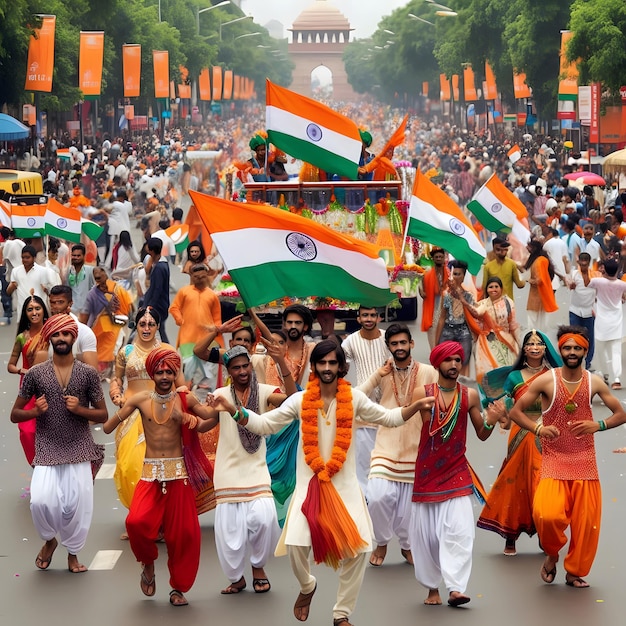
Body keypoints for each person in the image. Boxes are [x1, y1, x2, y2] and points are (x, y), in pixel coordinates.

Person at [207, 340, 435, 626]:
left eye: (332, 363)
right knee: (295, 545)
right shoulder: (301, 401)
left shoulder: (354, 399)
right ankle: (307, 586)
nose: (327, 368)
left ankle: (342, 613)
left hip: (345, 487)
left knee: (361, 550)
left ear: (341, 367)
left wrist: (415, 406)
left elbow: (388, 418)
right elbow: (266, 424)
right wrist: (234, 409)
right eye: (322, 363)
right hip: (309, 484)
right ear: (313, 367)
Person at [509, 326, 626, 588]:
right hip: (554, 461)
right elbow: (516, 412)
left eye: (577, 348)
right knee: (547, 516)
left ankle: (574, 572)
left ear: (585, 351)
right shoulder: (546, 381)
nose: (572, 352)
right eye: (567, 348)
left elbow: (621, 413)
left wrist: (599, 425)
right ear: (560, 350)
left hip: (585, 463)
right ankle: (552, 553)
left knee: (586, 526)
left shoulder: (593, 382)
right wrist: (538, 428)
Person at [102, 348, 217, 606]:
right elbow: (108, 427)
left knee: (184, 535)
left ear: (176, 373)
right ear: (151, 373)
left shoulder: (185, 399)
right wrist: (121, 407)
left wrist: (209, 410)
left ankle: (178, 588)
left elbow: (208, 421)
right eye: (159, 371)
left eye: (169, 371)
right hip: (150, 475)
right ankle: (148, 563)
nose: (165, 376)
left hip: (179, 476)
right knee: (135, 523)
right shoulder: (141, 399)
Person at [10, 315, 107, 574]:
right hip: (47, 447)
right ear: (50, 339)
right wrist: (35, 412)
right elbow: (14, 414)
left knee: (77, 506)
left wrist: (80, 410)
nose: (61, 339)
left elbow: (103, 415)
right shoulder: (36, 373)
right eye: (56, 335)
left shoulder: (87, 374)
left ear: (73, 338)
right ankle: (50, 540)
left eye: (66, 335)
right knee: (41, 501)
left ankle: (73, 554)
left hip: (80, 447)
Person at [410, 341, 502, 607]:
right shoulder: (421, 394)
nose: (453, 365)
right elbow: (423, 429)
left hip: (457, 471)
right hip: (426, 473)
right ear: (437, 363)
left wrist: (493, 420)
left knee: (461, 532)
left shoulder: (469, 395)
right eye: (448, 360)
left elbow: (482, 434)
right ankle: (431, 588)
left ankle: (456, 588)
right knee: (427, 536)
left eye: (457, 360)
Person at [203, 345, 295, 595]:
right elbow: (203, 424)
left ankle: (258, 567)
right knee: (230, 532)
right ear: (229, 371)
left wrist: (281, 363)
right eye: (236, 367)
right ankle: (236, 578)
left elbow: (291, 400)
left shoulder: (265, 392)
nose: (243, 371)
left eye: (246, 366)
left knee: (264, 520)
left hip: (257, 470)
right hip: (228, 472)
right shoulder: (221, 393)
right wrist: (191, 406)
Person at [358, 323, 438, 567]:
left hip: (416, 444)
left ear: (411, 344)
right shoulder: (381, 373)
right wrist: (376, 377)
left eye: (404, 342)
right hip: (386, 443)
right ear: (388, 346)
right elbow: (356, 398)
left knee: (408, 507)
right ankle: (382, 541)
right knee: (378, 496)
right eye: (394, 344)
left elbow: (440, 402)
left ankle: (407, 545)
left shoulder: (428, 372)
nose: (400, 347)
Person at [477, 330, 561, 556]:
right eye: (530, 344)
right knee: (514, 482)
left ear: (545, 349)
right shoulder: (514, 378)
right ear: (524, 349)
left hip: (546, 435)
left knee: (542, 484)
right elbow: (506, 408)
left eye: (539, 343)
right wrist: (498, 417)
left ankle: (545, 533)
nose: (534, 347)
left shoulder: (554, 376)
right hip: (520, 434)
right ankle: (510, 535)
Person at [108, 307, 184, 514]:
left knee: (159, 468)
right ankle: (138, 513)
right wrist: (116, 394)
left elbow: (181, 385)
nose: (147, 328)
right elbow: (116, 379)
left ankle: (158, 516)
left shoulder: (167, 351)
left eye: (151, 324)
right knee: (130, 466)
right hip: (131, 415)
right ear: (136, 325)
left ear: (158, 326)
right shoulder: (126, 352)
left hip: (161, 415)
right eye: (142, 324)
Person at [341, 305, 390, 493]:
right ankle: (365, 499)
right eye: (365, 315)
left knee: (384, 457)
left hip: (388, 402)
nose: (369, 319)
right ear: (358, 318)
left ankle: (380, 495)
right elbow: (339, 361)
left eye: (372, 315)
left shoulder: (388, 338)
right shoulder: (351, 340)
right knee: (362, 460)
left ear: (378, 318)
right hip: (363, 407)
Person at [7, 295, 50, 465]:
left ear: (43, 310)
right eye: (30, 309)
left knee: (48, 427)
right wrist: (22, 370)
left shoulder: (50, 333)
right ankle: (37, 466)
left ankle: (50, 465)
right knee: (27, 431)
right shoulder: (22, 337)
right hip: (28, 388)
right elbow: (10, 365)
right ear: (25, 313)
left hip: (48, 384)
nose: (34, 312)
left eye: (37, 308)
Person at [169, 262, 222, 389]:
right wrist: (179, 319)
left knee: (209, 365)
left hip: (207, 338)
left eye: (203, 277)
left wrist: (217, 329)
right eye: (196, 277)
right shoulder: (184, 292)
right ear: (192, 277)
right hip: (187, 336)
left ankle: (204, 389)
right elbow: (174, 308)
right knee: (188, 365)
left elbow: (217, 316)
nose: (200, 279)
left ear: (207, 276)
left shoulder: (212, 295)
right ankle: (186, 389)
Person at [80, 266, 133, 381]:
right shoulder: (93, 294)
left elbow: (128, 307)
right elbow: (86, 313)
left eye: (100, 275)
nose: (99, 278)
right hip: (100, 328)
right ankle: (104, 371)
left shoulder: (117, 289)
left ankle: (111, 371)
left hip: (117, 326)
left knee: (115, 347)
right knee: (105, 350)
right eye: (96, 277)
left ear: (106, 274)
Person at [470, 276, 520, 384]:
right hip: (487, 342)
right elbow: (476, 325)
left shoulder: (508, 302)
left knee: (509, 369)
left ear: (501, 288)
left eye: (496, 286)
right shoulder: (482, 305)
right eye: (490, 287)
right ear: (486, 290)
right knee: (490, 370)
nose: (493, 289)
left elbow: (512, 323)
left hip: (506, 340)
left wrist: (518, 343)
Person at [588, 259, 626, 389]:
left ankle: (605, 375)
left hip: (602, 321)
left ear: (604, 268)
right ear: (617, 270)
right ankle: (616, 379)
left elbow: (588, 283)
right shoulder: (622, 284)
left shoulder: (598, 282)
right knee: (616, 350)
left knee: (601, 349)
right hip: (616, 321)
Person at [435, 260, 475, 377]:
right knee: (443, 360)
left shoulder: (468, 296)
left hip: (463, 331)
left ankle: (462, 387)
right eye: (453, 274)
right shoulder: (446, 295)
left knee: (463, 361)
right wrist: (436, 343)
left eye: (458, 274)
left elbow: (471, 317)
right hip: (447, 330)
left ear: (463, 277)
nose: (455, 277)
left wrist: (474, 335)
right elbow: (442, 318)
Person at [45, 285, 98, 369]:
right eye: (52, 302)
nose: (56, 307)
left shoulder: (85, 333)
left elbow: (93, 374)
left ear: (70, 303)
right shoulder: (45, 331)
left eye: (60, 302)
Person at [568, 252, 599, 370]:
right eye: (582, 264)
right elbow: (569, 284)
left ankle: (588, 362)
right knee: (574, 337)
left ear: (589, 263)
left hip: (588, 312)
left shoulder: (595, 275)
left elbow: (595, 288)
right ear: (579, 263)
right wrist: (571, 285)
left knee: (589, 338)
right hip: (575, 310)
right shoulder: (574, 274)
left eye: (586, 264)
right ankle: (575, 361)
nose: (584, 267)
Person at [6, 245, 58, 314]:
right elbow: (8, 292)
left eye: (27, 257)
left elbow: (52, 292)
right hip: (22, 310)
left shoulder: (43, 271)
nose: (24, 260)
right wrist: (12, 286)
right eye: (23, 257)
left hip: (39, 311)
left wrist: (46, 290)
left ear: (34, 258)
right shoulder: (16, 271)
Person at [525, 238, 558, 332]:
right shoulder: (542, 259)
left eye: (529, 246)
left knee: (533, 322)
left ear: (534, 248)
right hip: (543, 294)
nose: (527, 248)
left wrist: (528, 280)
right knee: (541, 322)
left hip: (537, 295)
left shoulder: (539, 261)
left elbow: (539, 280)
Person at [418, 247, 449, 349]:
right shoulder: (427, 274)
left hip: (445, 307)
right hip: (432, 308)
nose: (439, 258)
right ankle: (435, 354)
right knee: (432, 332)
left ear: (444, 258)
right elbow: (421, 287)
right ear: (433, 259)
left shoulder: (449, 274)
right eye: (437, 257)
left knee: (446, 333)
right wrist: (421, 291)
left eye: (441, 256)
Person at [142, 237, 171, 343]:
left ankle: (168, 352)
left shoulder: (159, 268)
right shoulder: (162, 263)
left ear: (151, 251)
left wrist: (150, 305)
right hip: (161, 304)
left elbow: (157, 289)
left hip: (158, 305)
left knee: (160, 330)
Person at [65, 243, 95, 316]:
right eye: (74, 255)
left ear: (84, 256)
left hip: (86, 310)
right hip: (72, 310)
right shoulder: (68, 271)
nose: (76, 258)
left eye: (78, 256)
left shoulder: (90, 270)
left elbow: (94, 289)